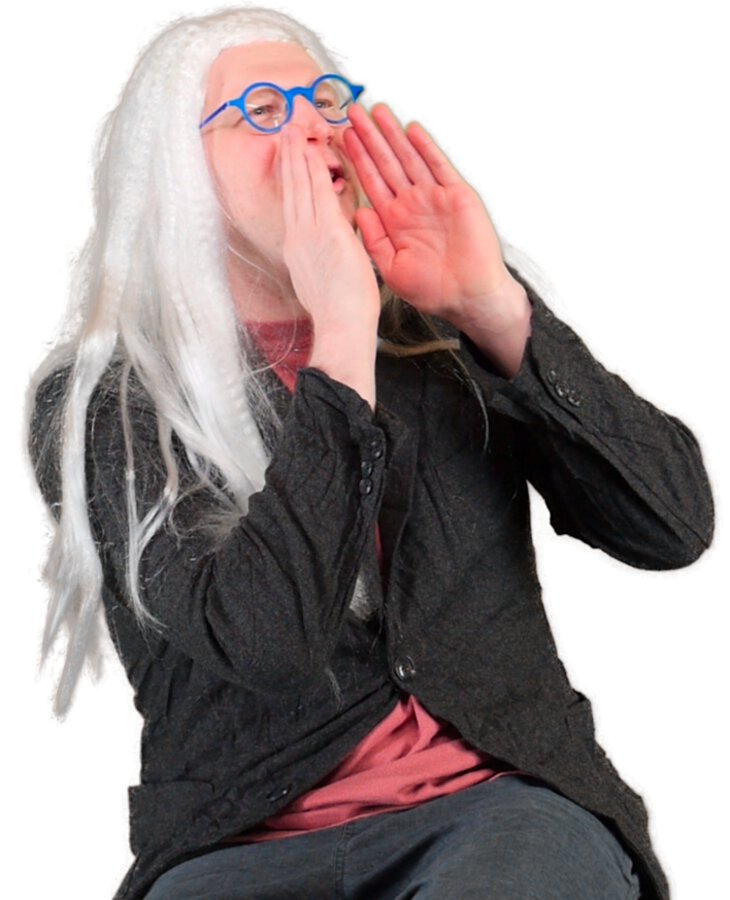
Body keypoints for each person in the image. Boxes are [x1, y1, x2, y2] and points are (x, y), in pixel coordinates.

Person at [27, 6, 714, 900]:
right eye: (263, 110)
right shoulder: (106, 406)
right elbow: (266, 642)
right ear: (176, 174)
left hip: (500, 813)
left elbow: (671, 524)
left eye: (322, 99)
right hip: (236, 844)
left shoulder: (444, 331)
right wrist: (339, 337)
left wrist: (496, 311)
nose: (310, 124)